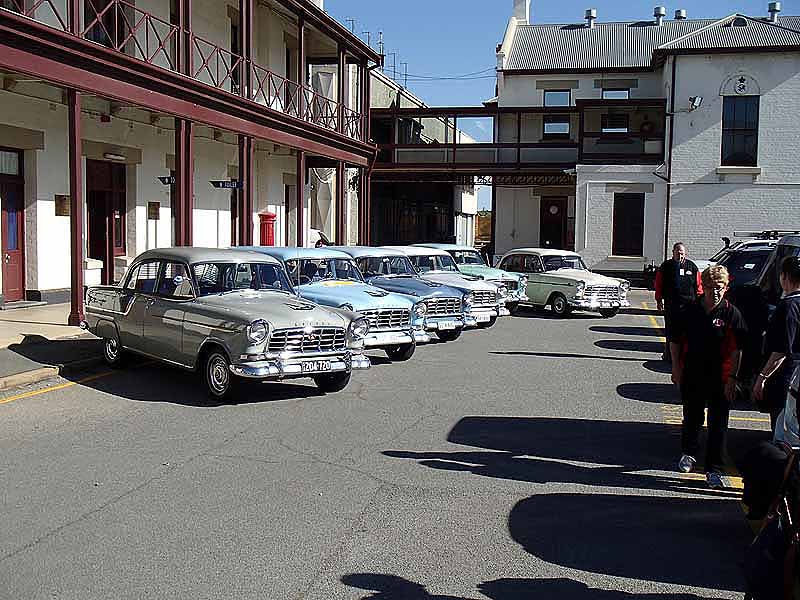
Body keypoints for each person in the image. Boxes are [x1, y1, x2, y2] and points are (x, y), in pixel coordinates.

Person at [671, 265, 747, 489]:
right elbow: (675, 341)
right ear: (703, 287)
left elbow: (737, 349)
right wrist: (676, 368)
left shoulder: (731, 313)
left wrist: (733, 378)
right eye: (711, 287)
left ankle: (714, 469)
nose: (716, 292)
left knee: (718, 424)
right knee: (692, 417)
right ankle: (688, 453)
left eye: (720, 287)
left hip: (720, 378)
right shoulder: (689, 310)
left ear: (726, 287)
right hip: (692, 373)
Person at [753, 256, 800, 431]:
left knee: (782, 427)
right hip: (796, 375)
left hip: (786, 377)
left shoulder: (787, 307)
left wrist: (762, 377)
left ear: (784, 276)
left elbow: (781, 350)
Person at [655, 243, 703, 362]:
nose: (680, 255)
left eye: (682, 253)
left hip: (689, 305)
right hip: (672, 305)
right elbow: (659, 284)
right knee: (670, 331)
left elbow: (698, 286)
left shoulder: (692, 267)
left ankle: (686, 356)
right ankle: (668, 355)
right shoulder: (666, 266)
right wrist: (659, 300)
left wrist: (700, 301)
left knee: (688, 331)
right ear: (673, 252)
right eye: (678, 253)